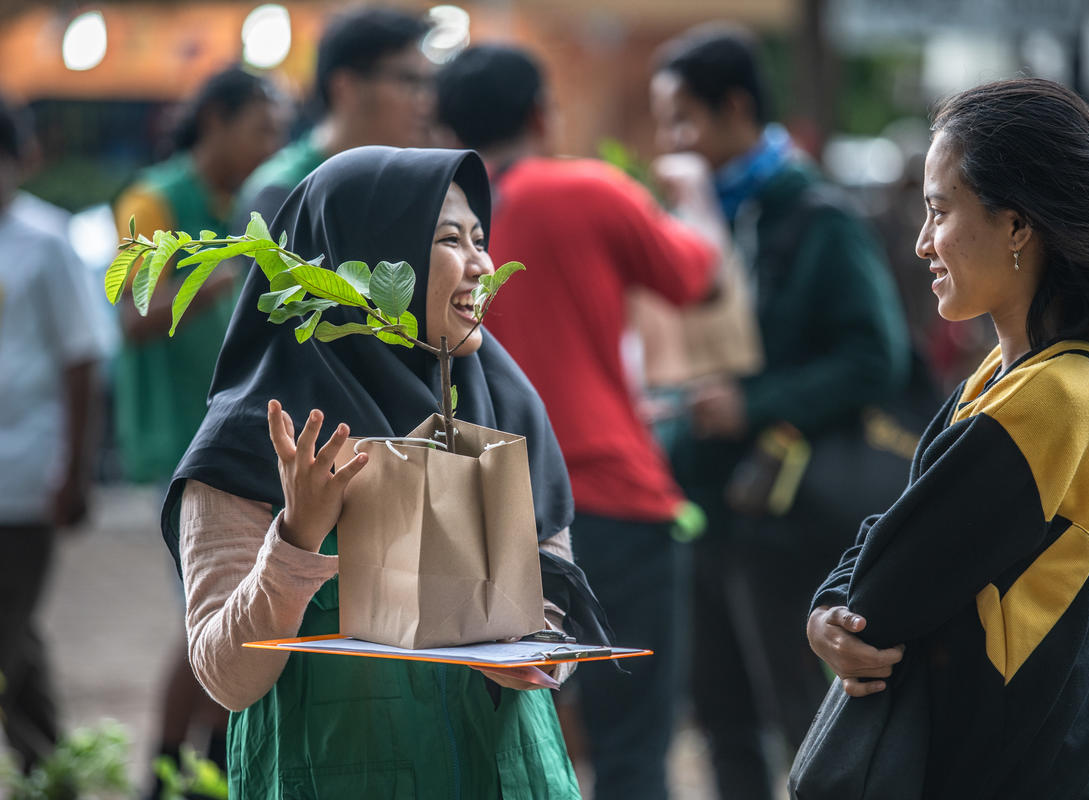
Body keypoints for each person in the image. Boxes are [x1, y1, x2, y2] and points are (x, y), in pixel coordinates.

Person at [165, 146, 603, 798]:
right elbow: (228, 678)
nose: (483, 264)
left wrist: (536, 649)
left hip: (512, 775)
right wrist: (296, 538)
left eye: (481, 239)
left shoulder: (503, 405)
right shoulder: (257, 443)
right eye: (451, 239)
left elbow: (552, 597)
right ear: (366, 261)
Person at [805, 77, 1089, 799]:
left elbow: (881, 592)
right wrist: (829, 607)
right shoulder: (1014, 379)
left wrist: (833, 610)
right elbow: (893, 534)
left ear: (1016, 226)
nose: (921, 242)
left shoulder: (1049, 400)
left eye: (939, 212)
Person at [435, 45, 719, 800]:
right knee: (631, 745)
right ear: (539, 114)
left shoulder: (432, 221)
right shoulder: (589, 190)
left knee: (497, 741)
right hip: (612, 498)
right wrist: (694, 197)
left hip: (484, 510)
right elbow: (695, 273)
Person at [648, 25, 910, 797]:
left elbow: (874, 357)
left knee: (805, 721)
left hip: (789, 518)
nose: (668, 140)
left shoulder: (814, 217)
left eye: (681, 119)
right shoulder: (691, 221)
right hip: (708, 508)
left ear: (735, 108)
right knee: (722, 718)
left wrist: (753, 405)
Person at [110, 65, 285, 787]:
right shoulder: (154, 200)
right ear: (215, 118)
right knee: (209, 622)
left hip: (236, 441)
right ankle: (164, 768)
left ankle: (205, 765)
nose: (273, 145)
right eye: (262, 129)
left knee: (227, 614)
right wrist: (234, 267)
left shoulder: (247, 199)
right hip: (183, 443)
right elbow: (134, 316)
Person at [0, 94, 104, 772]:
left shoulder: (46, 241)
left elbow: (82, 358)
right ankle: (49, 772)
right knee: (13, 634)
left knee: (5, 631)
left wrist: (76, 468)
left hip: (25, 471)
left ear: (21, 161)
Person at [233, 6, 432, 230]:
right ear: (346, 87)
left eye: (427, 84)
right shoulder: (285, 194)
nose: (425, 100)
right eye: (408, 81)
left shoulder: (404, 185)